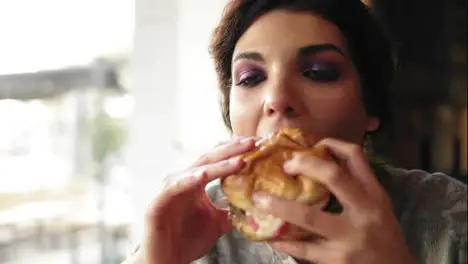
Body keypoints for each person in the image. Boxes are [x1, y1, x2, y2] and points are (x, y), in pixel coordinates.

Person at [125, 0, 467, 263]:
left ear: (371, 108)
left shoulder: (450, 219)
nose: (276, 99)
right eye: (251, 78)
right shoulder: (196, 227)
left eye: (318, 71)